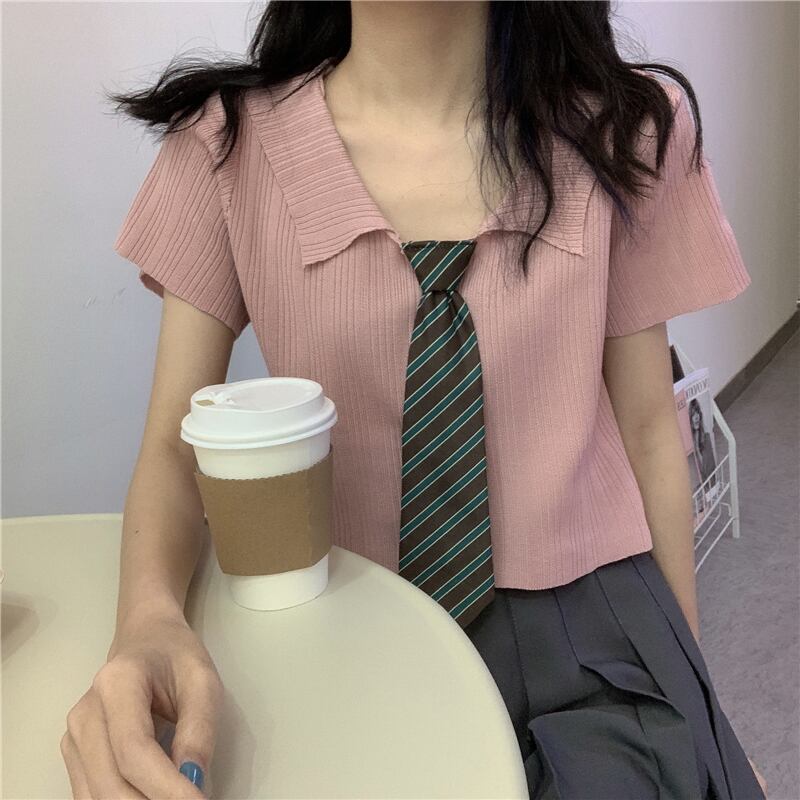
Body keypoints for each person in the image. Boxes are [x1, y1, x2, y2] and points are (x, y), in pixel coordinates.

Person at [61, 2, 769, 798]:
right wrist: (147, 618)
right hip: (342, 622)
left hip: (595, 632)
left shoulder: (623, 129)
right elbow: (174, 446)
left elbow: (647, 428)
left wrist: (696, 706)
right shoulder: (224, 148)